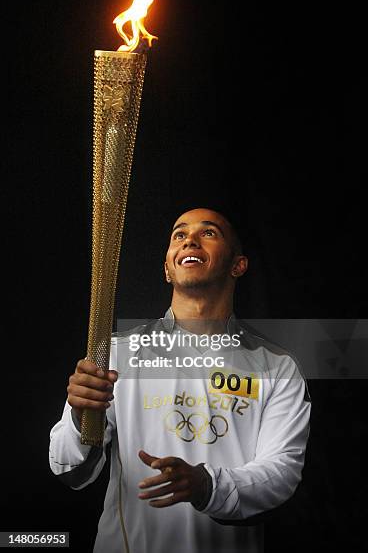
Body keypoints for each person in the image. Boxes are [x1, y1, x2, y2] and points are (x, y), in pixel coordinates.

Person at [49, 208, 311, 553]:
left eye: (209, 233)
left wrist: (208, 486)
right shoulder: (116, 353)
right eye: (179, 234)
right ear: (168, 268)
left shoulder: (277, 367)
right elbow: (68, 468)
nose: (189, 239)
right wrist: (82, 414)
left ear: (238, 265)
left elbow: (281, 472)